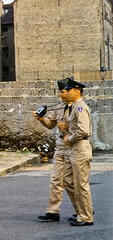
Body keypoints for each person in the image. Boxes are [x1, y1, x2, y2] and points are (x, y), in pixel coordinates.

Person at [32, 78, 78, 222]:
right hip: (60, 145)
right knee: (56, 180)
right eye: (60, 92)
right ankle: (53, 212)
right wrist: (40, 118)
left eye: (64, 92)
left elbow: (83, 129)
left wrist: (68, 129)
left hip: (74, 145)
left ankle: (82, 209)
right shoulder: (59, 107)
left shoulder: (79, 107)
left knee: (71, 182)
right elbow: (51, 124)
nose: (61, 95)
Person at [61, 78, 94, 226]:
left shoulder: (80, 107)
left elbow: (83, 130)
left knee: (81, 184)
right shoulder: (74, 106)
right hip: (73, 148)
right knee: (68, 181)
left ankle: (86, 216)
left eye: (68, 91)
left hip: (79, 147)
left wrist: (70, 138)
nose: (65, 93)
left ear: (77, 91)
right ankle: (80, 211)